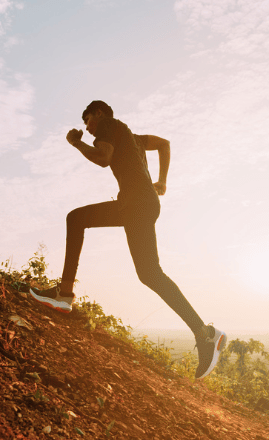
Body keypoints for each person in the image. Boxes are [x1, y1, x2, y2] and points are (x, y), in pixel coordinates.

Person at [29, 100, 227, 379]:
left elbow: (102, 158)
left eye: (87, 120)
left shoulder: (109, 126)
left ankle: (205, 334)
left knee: (146, 270)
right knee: (145, 270)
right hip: (136, 204)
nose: (87, 127)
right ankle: (64, 294)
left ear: (98, 114)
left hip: (136, 205)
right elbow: (164, 144)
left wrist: (76, 143)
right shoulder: (131, 137)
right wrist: (162, 181)